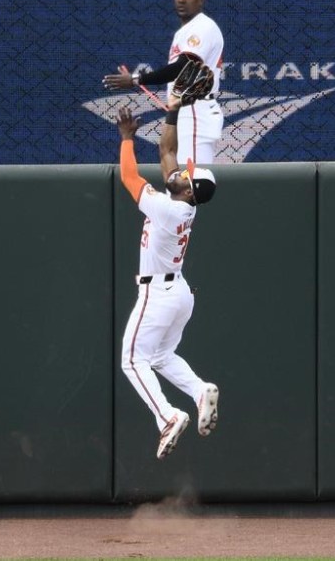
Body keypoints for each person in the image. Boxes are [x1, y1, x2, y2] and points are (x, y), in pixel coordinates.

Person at [115, 91, 220, 459]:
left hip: (159, 295)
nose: (179, 172)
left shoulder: (168, 208)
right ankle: (199, 391)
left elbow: (128, 176)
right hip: (178, 294)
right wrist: (173, 114)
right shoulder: (179, 201)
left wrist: (127, 139)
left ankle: (168, 416)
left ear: (189, 191)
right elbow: (165, 154)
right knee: (160, 356)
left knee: (132, 360)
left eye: (186, 175)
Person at [104, 0, 225, 165]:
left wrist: (136, 79)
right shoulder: (186, 30)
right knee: (178, 181)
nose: (182, 0)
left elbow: (183, 67)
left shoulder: (203, 27)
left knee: (191, 182)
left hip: (195, 112)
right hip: (186, 111)